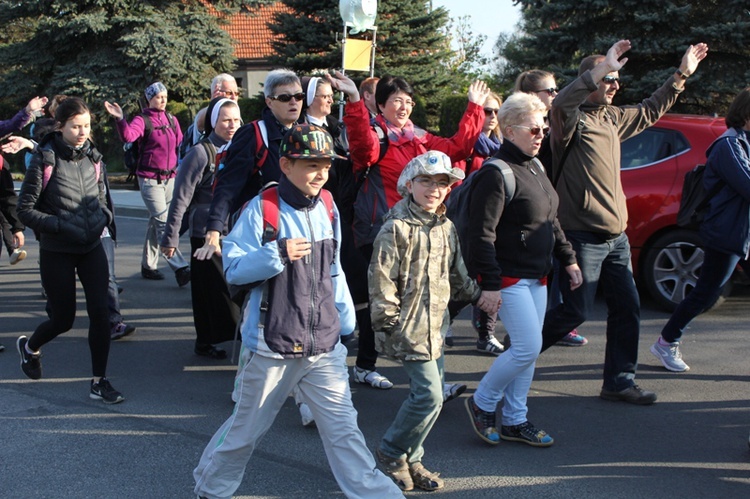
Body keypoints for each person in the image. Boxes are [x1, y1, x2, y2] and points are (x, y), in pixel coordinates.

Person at [193, 124, 404, 499]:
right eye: (311, 165)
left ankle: (379, 495)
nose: (321, 173)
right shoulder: (263, 209)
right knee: (245, 431)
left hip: (324, 346)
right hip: (272, 346)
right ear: (286, 164)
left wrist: (345, 320)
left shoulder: (327, 205)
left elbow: (334, 269)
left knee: (345, 432)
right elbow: (234, 269)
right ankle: (211, 489)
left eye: (325, 165)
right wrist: (276, 254)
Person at [542, 39, 708, 405]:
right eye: (609, 79)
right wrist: (598, 70)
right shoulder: (571, 119)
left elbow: (650, 110)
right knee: (575, 311)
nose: (616, 85)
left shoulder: (612, 118)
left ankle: (618, 381)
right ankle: (518, 356)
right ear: (592, 79)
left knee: (627, 308)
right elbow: (562, 102)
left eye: (617, 79)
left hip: (616, 239)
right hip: (581, 235)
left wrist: (681, 75)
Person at [328, 71, 487, 390]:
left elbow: (457, 148)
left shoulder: (420, 138)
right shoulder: (377, 135)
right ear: (382, 105)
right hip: (380, 232)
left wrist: (474, 108)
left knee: (422, 303)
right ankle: (372, 367)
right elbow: (363, 149)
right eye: (396, 101)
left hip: (419, 233)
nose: (404, 107)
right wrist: (357, 103)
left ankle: (425, 380)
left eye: (409, 101)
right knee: (391, 301)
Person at [369, 150, 498, 491]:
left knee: (430, 396)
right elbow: (380, 281)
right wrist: (390, 325)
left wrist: (478, 296)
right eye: (426, 181)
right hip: (407, 328)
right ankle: (392, 451)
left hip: (435, 328)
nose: (434, 189)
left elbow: (457, 274)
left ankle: (412, 458)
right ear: (408, 184)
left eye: (442, 183)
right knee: (429, 396)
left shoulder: (445, 226)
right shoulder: (395, 228)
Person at [196, 69, 314, 426]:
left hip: (303, 234)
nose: (294, 102)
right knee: (261, 312)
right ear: (268, 102)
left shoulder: (311, 133)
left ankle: (308, 399)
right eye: (285, 97)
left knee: (304, 309)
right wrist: (215, 230)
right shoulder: (254, 135)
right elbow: (228, 185)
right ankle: (248, 382)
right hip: (262, 236)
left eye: (297, 96)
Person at [463, 92, 581, 447]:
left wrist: (568, 258)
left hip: (538, 275)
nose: (541, 133)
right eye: (533, 128)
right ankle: (482, 402)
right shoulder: (496, 174)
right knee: (528, 347)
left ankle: (515, 419)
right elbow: (479, 235)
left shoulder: (536, 165)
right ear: (510, 130)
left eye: (543, 127)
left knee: (527, 350)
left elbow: (550, 219)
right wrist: (491, 285)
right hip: (510, 277)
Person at [15, 97, 123, 404]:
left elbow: (101, 195)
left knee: (101, 314)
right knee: (63, 319)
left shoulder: (94, 157)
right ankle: (30, 347)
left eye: (87, 126)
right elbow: (25, 209)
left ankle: (99, 381)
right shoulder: (45, 158)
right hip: (58, 249)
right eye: (76, 126)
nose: (82, 132)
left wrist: (105, 217)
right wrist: (60, 226)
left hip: (91, 246)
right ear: (60, 126)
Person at [650, 88, 750, 372]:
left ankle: (667, 341)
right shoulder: (728, 146)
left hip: (744, 233)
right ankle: (666, 342)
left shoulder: (745, 142)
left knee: (707, 290)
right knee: (706, 292)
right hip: (727, 233)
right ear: (746, 113)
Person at [162, 98, 242, 359]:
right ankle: (209, 340)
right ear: (213, 122)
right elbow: (181, 198)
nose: (232, 126)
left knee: (229, 288)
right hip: (205, 234)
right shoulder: (200, 153)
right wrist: (170, 237)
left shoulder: (241, 147)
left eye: (236, 120)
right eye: (225, 120)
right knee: (211, 292)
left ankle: (215, 338)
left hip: (236, 230)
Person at [515, 69, 588, 348]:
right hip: (530, 210)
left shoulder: (553, 123)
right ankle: (514, 333)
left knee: (555, 268)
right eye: (551, 91)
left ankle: (549, 326)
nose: (555, 95)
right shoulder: (524, 127)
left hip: (551, 205)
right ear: (533, 96)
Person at [104, 82, 190, 286]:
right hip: (150, 180)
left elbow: (180, 144)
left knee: (156, 222)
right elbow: (128, 136)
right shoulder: (142, 120)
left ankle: (148, 265)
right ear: (149, 98)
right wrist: (120, 119)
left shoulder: (171, 119)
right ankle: (180, 267)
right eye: (159, 97)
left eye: (165, 96)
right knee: (163, 223)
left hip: (170, 179)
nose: (163, 100)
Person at [447, 91, 506, 354]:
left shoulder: (504, 148)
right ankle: (445, 319)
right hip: (464, 224)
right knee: (463, 279)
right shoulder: (466, 148)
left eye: (496, 111)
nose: (492, 117)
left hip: (493, 223)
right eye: (487, 111)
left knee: (491, 279)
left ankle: (486, 333)